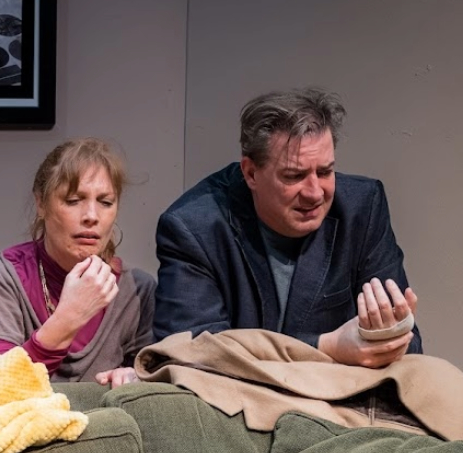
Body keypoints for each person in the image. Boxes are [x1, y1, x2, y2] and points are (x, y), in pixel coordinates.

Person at [153, 88, 421, 368]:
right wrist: (326, 347)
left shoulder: (362, 209)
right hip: (236, 393)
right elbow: (189, 353)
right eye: (294, 176)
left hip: (339, 389)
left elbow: (411, 345)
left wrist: (391, 337)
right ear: (251, 173)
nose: (315, 193)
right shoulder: (194, 227)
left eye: (325, 172)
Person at [0, 138, 155, 386]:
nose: (91, 216)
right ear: (41, 204)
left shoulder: (137, 290)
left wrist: (134, 378)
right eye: (73, 200)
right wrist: (70, 316)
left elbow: (153, 382)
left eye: (105, 202)